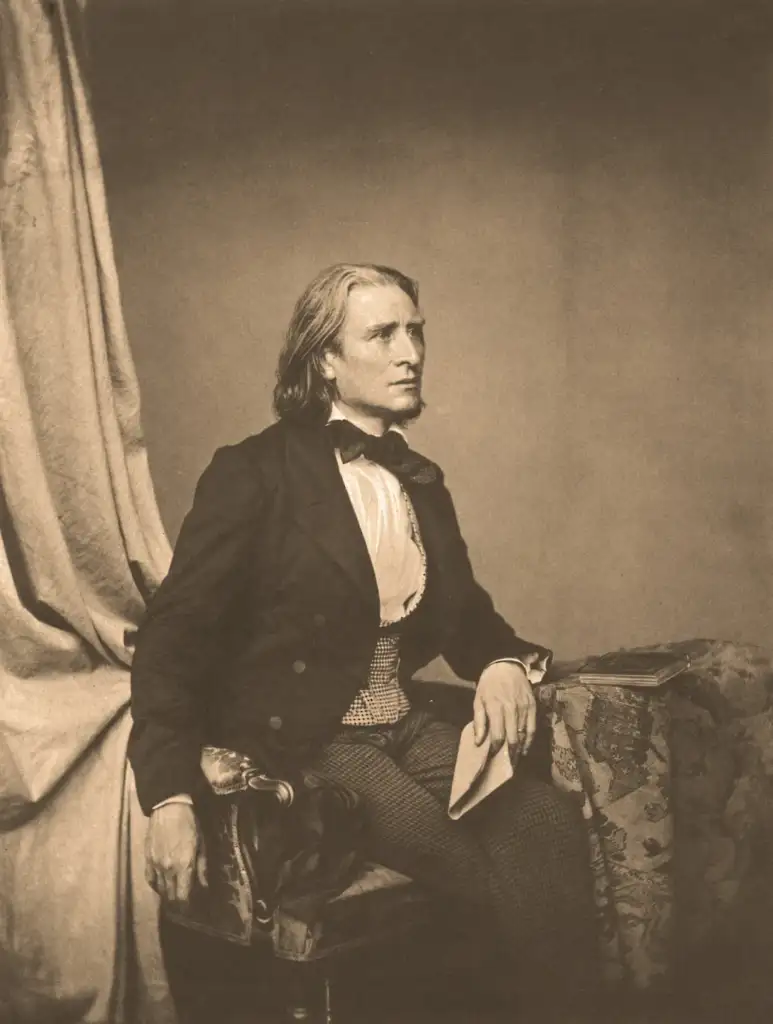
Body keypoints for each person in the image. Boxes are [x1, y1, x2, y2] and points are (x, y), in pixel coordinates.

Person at [128, 263, 599, 1020]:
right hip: (307, 742)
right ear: (325, 361)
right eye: (382, 334)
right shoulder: (251, 475)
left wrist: (506, 664)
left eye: (414, 330)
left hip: (403, 723)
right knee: (465, 864)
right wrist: (169, 797)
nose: (409, 350)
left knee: (545, 825)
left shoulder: (418, 483)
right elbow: (169, 643)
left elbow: (468, 616)